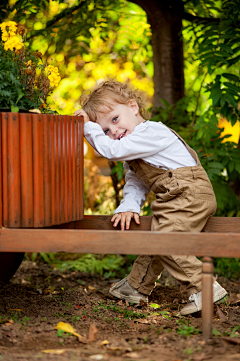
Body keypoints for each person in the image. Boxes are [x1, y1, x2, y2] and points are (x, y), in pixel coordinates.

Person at [74, 80, 227, 315]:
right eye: (105, 130)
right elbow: (136, 183)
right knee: (158, 234)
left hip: (190, 194)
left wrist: (89, 128)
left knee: (166, 239)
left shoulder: (151, 132)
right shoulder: (133, 150)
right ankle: (135, 287)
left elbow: (110, 151)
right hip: (177, 198)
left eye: (114, 120)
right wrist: (129, 207)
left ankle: (203, 288)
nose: (113, 131)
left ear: (133, 107)